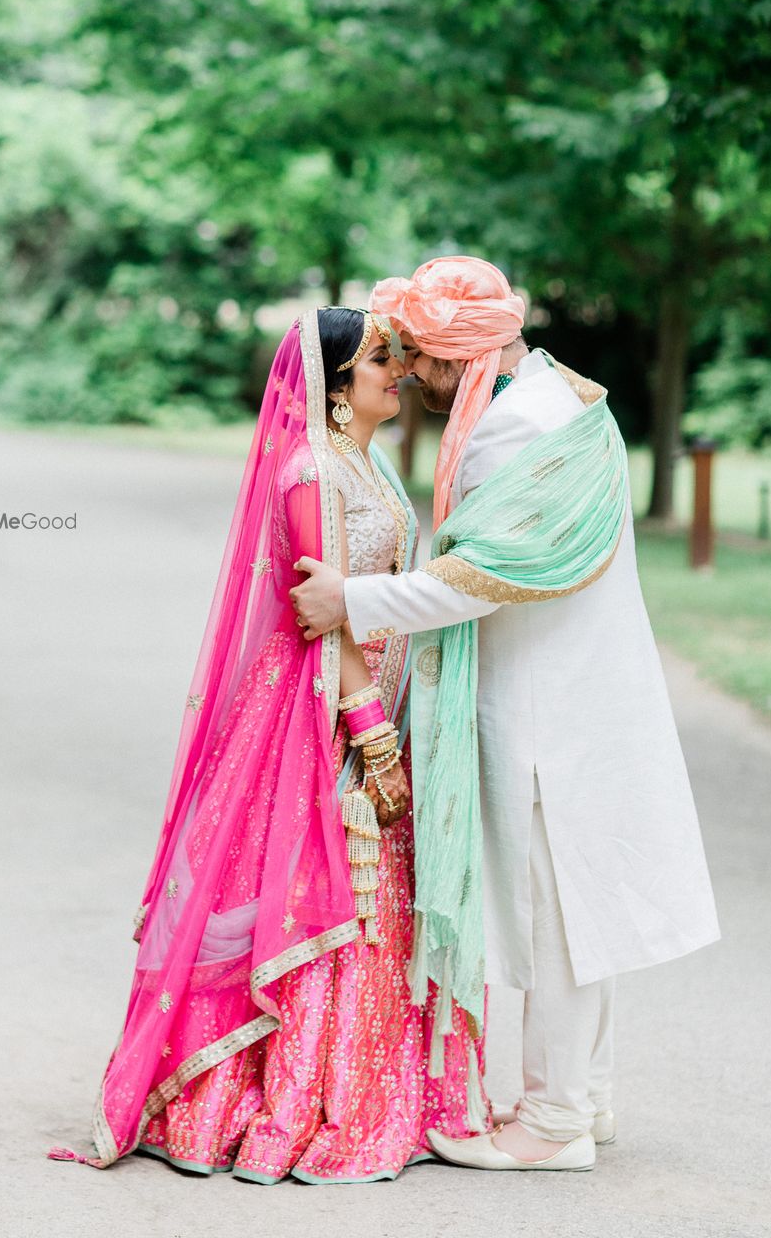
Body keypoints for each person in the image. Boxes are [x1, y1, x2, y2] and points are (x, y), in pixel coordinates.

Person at [292, 257, 721, 1173]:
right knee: (581, 903)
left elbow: (478, 580)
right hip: (584, 693)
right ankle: (587, 1095)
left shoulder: (510, 431)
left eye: (420, 357)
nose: (412, 375)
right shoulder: (558, 394)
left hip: (547, 708)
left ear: (457, 355)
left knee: (551, 913)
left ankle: (554, 1123)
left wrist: (354, 602)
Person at [50, 306, 488, 1183]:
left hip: (366, 705)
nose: (395, 370)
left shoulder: (365, 462)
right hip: (312, 716)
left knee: (366, 902)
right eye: (376, 359)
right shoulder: (308, 471)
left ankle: (347, 1083)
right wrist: (371, 738)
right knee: (307, 888)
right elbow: (319, 616)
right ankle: (274, 1098)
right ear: (333, 387)